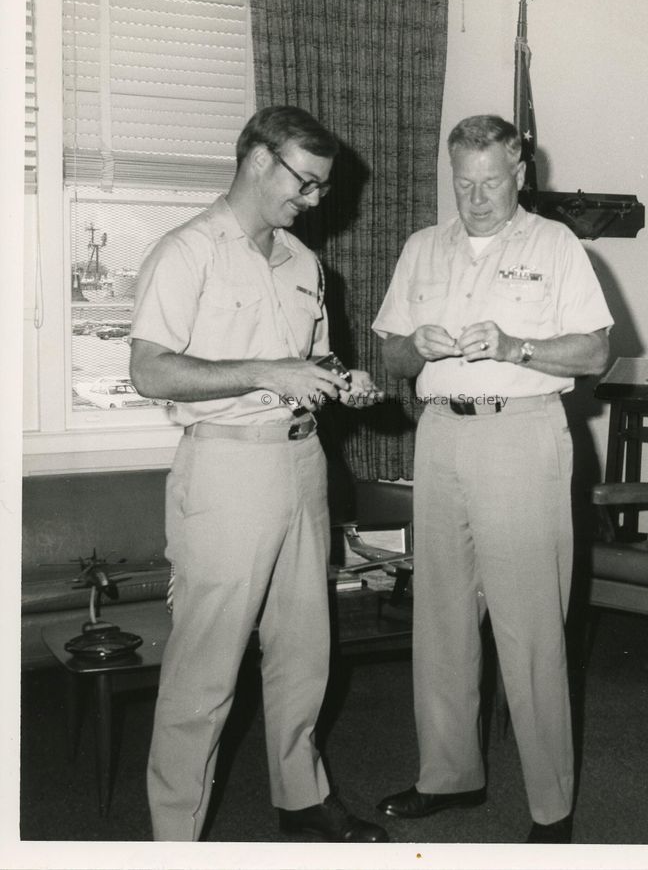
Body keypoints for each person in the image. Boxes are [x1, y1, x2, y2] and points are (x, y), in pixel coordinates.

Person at [130, 106, 387, 843]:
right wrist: (263, 372)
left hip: (303, 464)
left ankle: (302, 800)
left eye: (320, 189)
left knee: (306, 650)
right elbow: (150, 370)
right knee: (205, 673)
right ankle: (174, 837)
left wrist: (347, 381)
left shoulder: (304, 264)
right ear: (257, 161)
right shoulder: (186, 253)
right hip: (227, 471)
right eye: (305, 184)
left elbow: (314, 362)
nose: (312, 202)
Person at [372, 114, 613, 844]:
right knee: (440, 616)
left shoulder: (555, 245)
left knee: (531, 625)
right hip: (442, 432)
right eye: (464, 182)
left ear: (519, 174)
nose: (476, 198)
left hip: (522, 433)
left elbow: (597, 352)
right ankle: (449, 776)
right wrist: (411, 346)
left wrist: (519, 345)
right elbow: (392, 358)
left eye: (491, 182)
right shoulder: (423, 248)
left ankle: (550, 804)